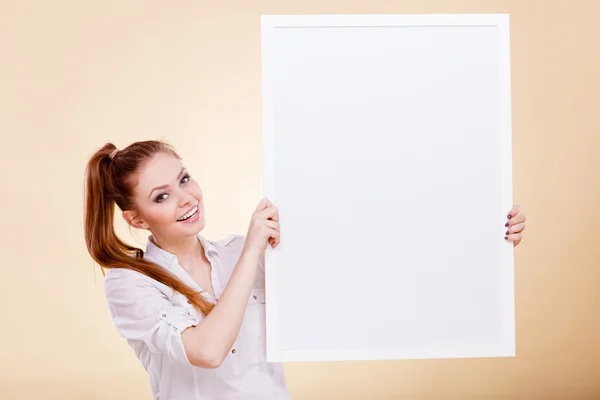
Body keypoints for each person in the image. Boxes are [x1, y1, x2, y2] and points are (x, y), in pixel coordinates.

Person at [83, 140, 527, 400]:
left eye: (183, 179)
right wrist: (253, 248)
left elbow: (370, 261)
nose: (186, 198)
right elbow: (207, 351)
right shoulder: (128, 283)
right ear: (136, 219)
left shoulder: (241, 251)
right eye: (161, 196)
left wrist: (483, 233)